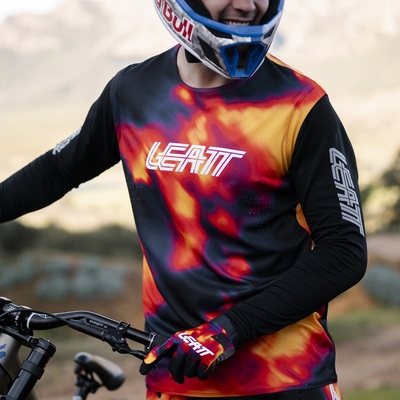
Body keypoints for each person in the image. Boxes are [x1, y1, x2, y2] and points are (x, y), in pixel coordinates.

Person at [0, 0, 368, 399]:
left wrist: (227, 331)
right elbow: (58, 170)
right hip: (174, 376)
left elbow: (343, 252)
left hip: (283, 378)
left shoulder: (300, 105)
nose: (247, 5)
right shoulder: (133, 92)